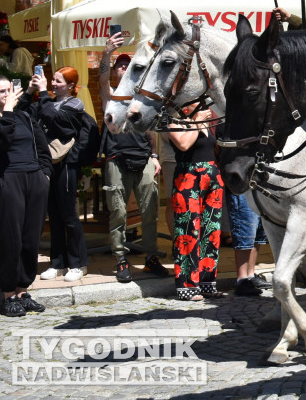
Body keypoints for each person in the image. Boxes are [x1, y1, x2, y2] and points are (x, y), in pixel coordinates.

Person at [99, 33, 168, 283]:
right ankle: (121, 259)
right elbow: (102, 78)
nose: (123, 68)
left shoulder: (140, 98)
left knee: (150, 212)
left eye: (127, 65)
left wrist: (154, 155)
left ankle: (151, 258)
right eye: (120, 65)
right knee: (118, 212)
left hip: (144, 158)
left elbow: (149, 131)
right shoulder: (110, 96)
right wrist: (107, 53)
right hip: (116, 158)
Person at [26, 67, 90, 281]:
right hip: (47, 163)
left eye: (58, 81)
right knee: (53, 215)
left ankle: (78, 263)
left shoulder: (74, 104)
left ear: (71, 85)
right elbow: (24, 112)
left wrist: (43, 93)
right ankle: (58, 263)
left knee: (69, 215)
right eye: (52, 80)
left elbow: (58, 122)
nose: (53, 84)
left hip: (67, 165)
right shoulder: (46, 102)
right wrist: (29, 91)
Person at [0, 77, 51, 316]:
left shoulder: (24, 117)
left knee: (31, 238)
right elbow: (2, 140)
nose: (7, 95)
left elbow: (42, 147)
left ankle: (23, 290)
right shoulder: (8, 117)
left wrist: (45, 174)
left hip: (34, 179)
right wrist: (8, 111)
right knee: (11, 237)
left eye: (9, 90)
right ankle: (8, 292)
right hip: (8, 179)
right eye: (1, 92)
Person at [166, 105, 224, 301]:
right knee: (188, 230)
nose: (204, 106)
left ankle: (207, 283)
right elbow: (184, 144)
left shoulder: (206, 121)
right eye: (198, 102)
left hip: (212, 176)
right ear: (185, 105)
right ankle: (187, 286)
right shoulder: (174, 122)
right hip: (188, 177)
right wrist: (198, 120)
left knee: (211, 230)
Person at [227, 191, 269, 297]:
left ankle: (250, 276)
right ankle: (242, 279)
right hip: (242, 188)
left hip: (257, 187)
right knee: (245, 230)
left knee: (257, 233)